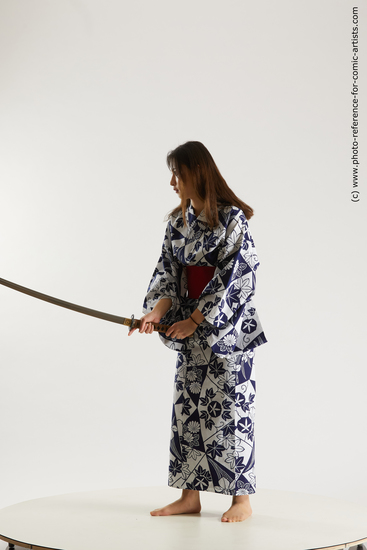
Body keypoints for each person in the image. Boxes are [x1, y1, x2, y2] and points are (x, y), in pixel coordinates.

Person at [129, 141, 267, 522]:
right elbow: (167, 276)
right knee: (188, 412)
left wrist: (195, 320)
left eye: (179, 174)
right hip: (189, 332)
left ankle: (241, 500)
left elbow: (237, 278)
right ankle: (190, 497)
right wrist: (155, 314)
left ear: (197, 173)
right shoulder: (177, 222)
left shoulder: (233, 220)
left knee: (232, 411)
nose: (173, 182)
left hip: (228, 335)